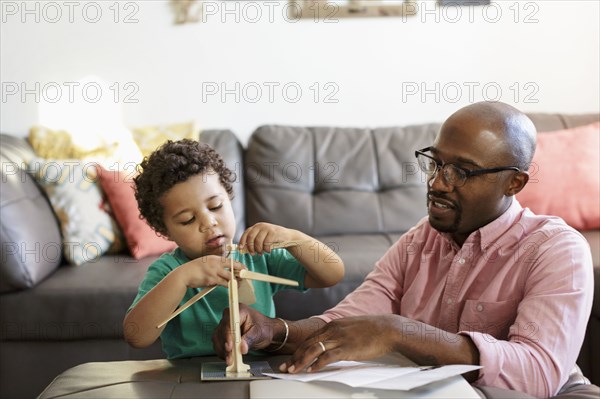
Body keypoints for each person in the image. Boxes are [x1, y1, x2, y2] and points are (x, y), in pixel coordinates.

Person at [212, 102, 594, 398]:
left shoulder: (557, 250)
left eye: (462, 171)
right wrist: (273, 330)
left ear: (514, 183)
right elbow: (349, 321)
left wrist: (400, 333)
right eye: (436, 162)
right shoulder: (420, 239)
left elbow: (539, 374)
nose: (438, 183)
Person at [123, 139, 344, 359]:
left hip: (258, 371)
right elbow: (136, 337)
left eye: (215, 206)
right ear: (166, 230)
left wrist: (293, 238)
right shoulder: (168, 270)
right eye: (188, 219)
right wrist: (182, 278)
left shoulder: (257, 255)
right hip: (190, 377)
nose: (209, 222)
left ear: (229, 197)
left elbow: (332, 274)